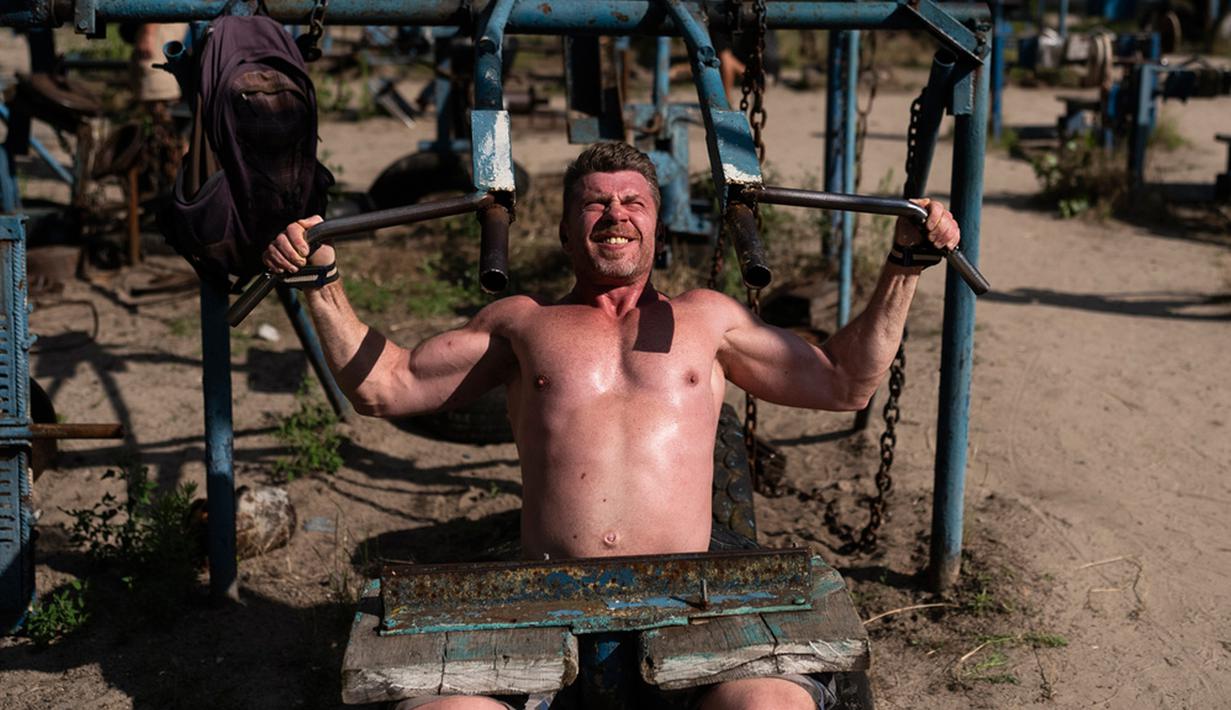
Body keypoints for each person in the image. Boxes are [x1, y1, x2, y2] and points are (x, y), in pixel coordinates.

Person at [263, 142, 960, 710]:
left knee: (767, 708)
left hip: (692, 599)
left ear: (658, 226)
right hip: (541, 599)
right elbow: (387, 387)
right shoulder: (523, 323)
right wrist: (320, 282)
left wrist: (904, 263)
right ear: (566, 230)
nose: (614, 214)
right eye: (594, 203)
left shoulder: (708, 319)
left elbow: (843, 382)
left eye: (633, 201)